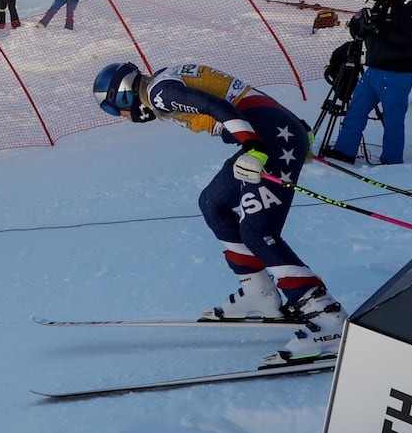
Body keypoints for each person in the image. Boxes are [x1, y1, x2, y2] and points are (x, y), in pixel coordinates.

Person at [92, 61, 344, 364]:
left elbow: (215, 105)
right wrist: (292, 126)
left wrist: (254, 148)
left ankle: (328, 320)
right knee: (213, 203)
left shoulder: (160, 92)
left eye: (113, 108)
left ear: (124, 95)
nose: (119, 116)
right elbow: (239, 96)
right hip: (272, 138)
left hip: (269, 145)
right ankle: (258, 291)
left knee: (258, 232)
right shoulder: (164, 83)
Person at [325, 0, 412, 165]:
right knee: (355, 112)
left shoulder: (411, 15)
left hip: (397, 75)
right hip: (373, 72)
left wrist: (378, 29)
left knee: (393, 120)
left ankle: (391, 159)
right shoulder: (377, 11)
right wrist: (360, 24)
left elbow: (405, 42)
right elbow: (359, 35)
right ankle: (344, 151)